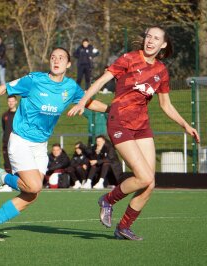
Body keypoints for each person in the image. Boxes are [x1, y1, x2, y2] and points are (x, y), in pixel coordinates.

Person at [68, 26, 200, 240]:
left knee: (150, 183)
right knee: (143, 176)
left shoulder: (161, 71)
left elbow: (166, 105)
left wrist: (185, 125)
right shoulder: (129, 58)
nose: (150, 41)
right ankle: (108, 200)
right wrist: (83, 102)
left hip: (142, 126)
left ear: (163, 44)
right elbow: (101, 80)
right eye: (148, 36)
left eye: (156, 38)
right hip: (119, 120)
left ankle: (123, 227)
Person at [0, 47, 107, 241]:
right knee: (33, 186)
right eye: (53, 57)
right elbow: (4, 88)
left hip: (40, 145)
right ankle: (3, 177)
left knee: (32, 194)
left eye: (61, 58)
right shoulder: (34, 80)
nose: (56, 60)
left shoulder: (70, 87)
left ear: (68, 64)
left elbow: (89, 102)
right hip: (20, 141)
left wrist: (113, 109)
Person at [1, 95, 17, 173]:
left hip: (17, 143)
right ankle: (9, 182)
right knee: (7, 163)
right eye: (9, 101)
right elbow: (5, 128)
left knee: (17, 163)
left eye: (12, 101)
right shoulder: (5, 115)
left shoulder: (19, 115)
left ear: (16, 102)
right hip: (7, 143)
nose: (10, 103)